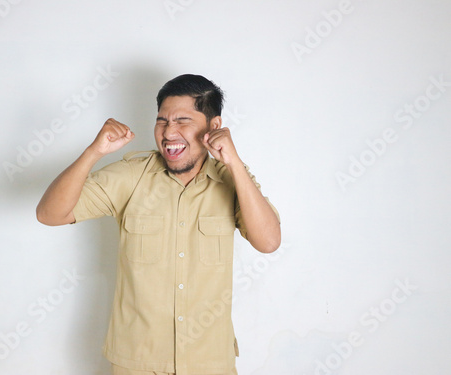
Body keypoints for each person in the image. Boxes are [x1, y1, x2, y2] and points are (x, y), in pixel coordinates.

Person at [36, 74, 281, 375]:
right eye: (162, 121)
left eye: (182, 120)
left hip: (210, 362)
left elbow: (268, 242)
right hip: (137, 361)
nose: (169, 132)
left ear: (214, 127)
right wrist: (93, 153)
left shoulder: (234, 180)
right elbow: (50, 214)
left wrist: (235, 164)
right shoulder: (130, 176)